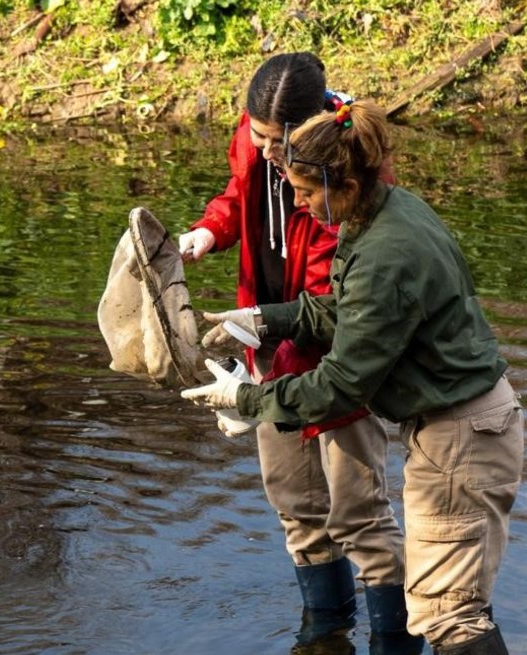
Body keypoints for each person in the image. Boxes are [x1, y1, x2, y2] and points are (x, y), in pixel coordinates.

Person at [181, 99, 524, 655]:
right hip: (454, 428)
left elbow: (341, 385)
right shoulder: (384, 212)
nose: (297, 202)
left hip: (462, 435)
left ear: (341, 181)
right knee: (443, 607)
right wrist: (262, 318)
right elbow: (342, 307)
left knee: (448, 615)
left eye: (306, 191)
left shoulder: (385, 251)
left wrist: (248, 398)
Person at [177, 53, 419, 652]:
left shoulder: (355, 181)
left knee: (359, 514)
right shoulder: (256, 139)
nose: (261, 150)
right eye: (253, 134)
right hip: (268, 342)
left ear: (307, 135)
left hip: (337, 363)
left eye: (272, 142)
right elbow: (239, 195)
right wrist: (210, 230)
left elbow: (328, 308)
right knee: (296, 508)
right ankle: (324, 629)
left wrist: (255, 398)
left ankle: (393, 638)